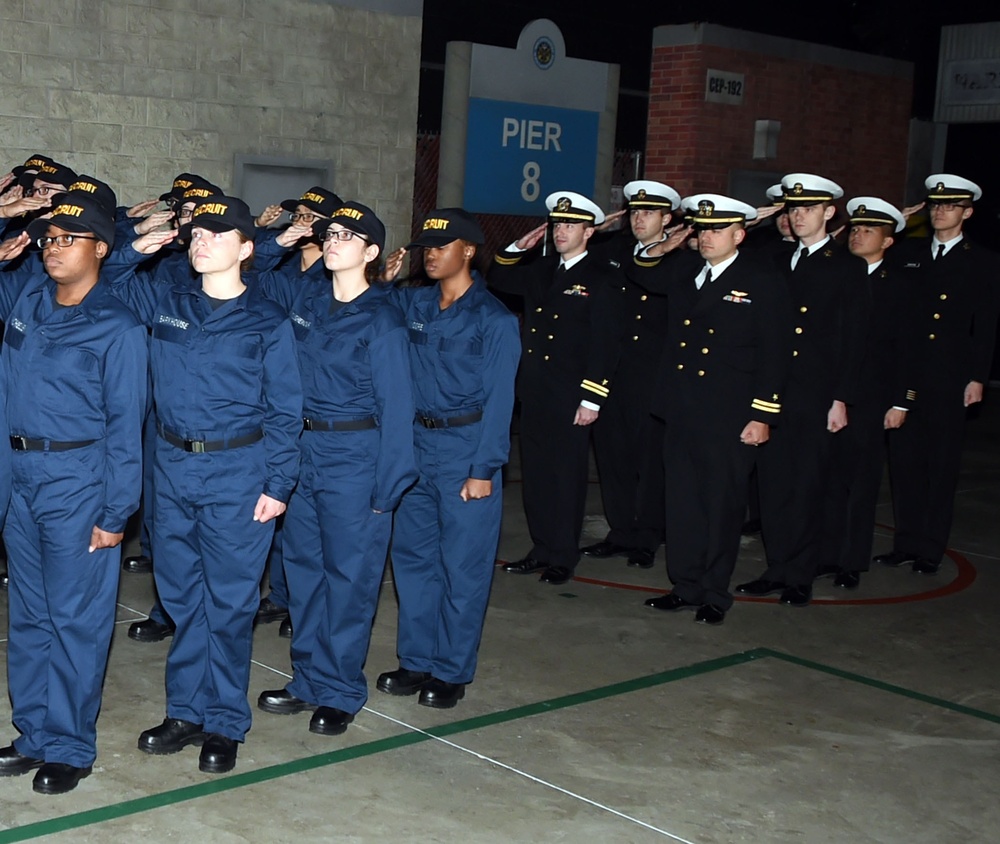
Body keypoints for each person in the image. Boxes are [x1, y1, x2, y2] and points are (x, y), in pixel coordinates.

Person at [104, 196, 302, 773]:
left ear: (247, 248)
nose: (200, 241)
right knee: (183, 597)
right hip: (171, 468)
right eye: (195, 233)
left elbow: (286, 411)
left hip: (239, 475)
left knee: (231, 603)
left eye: (217, 234)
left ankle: (223, 722)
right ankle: (184, 711)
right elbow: (105, 282)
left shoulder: (268, 322)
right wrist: (133, 249)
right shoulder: (166, 302)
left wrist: (278, 483)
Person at [0, 193, 147, 794]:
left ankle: (68, 744)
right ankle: (33, 732)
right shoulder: (29, 302)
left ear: (101, 249)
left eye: (68, 238)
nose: (53, 247)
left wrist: (116, 512)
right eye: (48, 238)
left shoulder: (118, 325)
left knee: (75, 621)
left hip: (77, 483)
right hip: (19, 480)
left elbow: (125, 424)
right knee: (30, 616)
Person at [255, 201, 416, 733]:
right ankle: (308, 678)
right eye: (330, 234)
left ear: (371, 253)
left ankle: (342, 688)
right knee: (304, 572)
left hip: (356, 458)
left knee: (350, 577)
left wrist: (388, 486)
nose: (332, 241)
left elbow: (397, 409)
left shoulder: (384, 319)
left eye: (348, 236)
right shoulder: (309, 303)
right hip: (305, 454)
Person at [374, 208, 519, 708]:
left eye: (441, 246)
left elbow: (501, 401)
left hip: (465, 449)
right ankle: (416, 660)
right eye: (426, 248)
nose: (431, 255)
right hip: (416, 447)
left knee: (463, 566)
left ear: (469, 252)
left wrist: (485, 469)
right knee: (413, 561)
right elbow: (370, 318)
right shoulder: (413, 303)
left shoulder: (494, 319)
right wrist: (382, 282)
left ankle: (452, 669)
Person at [632, 194, 792, 624]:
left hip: (730, 413)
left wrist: (763, 415)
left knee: (721, 505)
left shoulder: (761, 278)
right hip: (682, 408)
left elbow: (776, 350)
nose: (706, 238)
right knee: (681, 501)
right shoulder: (686, 273)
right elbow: (640, 271)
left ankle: (714, 592)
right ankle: (684, 584)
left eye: (717, 230)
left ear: (739, 235)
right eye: (702, 230)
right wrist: (664, 245)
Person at [736, 173, 870, 608]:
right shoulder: (774, 258)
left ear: (830, 213)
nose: (798, 216)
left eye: (808, 209)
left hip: (816, 392)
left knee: (807, 486)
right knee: (772, 485)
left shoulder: (846, 264)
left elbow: (854, 338)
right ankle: (776, 567)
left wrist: (841, 397)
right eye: (793, 209)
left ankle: (801, 574)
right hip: (773, 390)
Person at [490, 191, 622, 585]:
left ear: (590, 231)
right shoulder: (543, 268)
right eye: (558, 224)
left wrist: (592, 397)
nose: (562, 231)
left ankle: (563, 554)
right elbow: (498, 277)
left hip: (572, 393)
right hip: (535, 389)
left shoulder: (601, 278)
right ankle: (541, 546)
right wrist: (517, 246)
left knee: (566, 476)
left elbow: (606, 343)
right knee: (537, 473)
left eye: (571, 225)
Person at [875, 175, 999, 575]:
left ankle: (930, 547)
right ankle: (905, 542)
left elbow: (985, 324)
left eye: (949, 206)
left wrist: (977, 376)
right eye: (935, 205)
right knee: (905, 461)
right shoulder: (908, 252)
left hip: (949, 375)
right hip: (906, 373)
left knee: (940, 464)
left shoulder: (981, 260)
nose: (939, 211)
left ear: (967, 212)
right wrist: (896, 220)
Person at [816, 197, 913, 589]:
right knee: (828, 477)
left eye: (868, 231)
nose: (857, 235)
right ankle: (825, 552)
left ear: (887, 242)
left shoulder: (898, 285)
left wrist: (901, 400)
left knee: (861, 479)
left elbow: (908, 347)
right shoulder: (836, 275)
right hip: (830, 390)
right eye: (854, 229)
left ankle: (851, 560)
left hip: (872, 396)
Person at [582, 180, 679, 570]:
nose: (639, 220)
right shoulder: (614, 252)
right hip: (612, 374)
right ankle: (620, 531)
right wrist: (601, 229)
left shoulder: (679, 258)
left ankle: (648, 537)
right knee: (613, 458)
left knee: (649, 463)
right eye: (635, 212)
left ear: (666, 218)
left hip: (653, 376)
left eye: (649, 213)